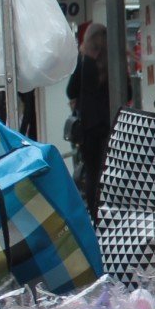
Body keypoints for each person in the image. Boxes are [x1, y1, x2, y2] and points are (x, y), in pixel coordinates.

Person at [65, 22, 113, 213]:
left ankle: (95, 211)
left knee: (92, 171)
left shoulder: (84, 62)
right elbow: (125, 91)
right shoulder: (113, 61)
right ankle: (111, 208)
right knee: (109, 169)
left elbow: (71, 91)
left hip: (89, 127)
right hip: (110, 123)